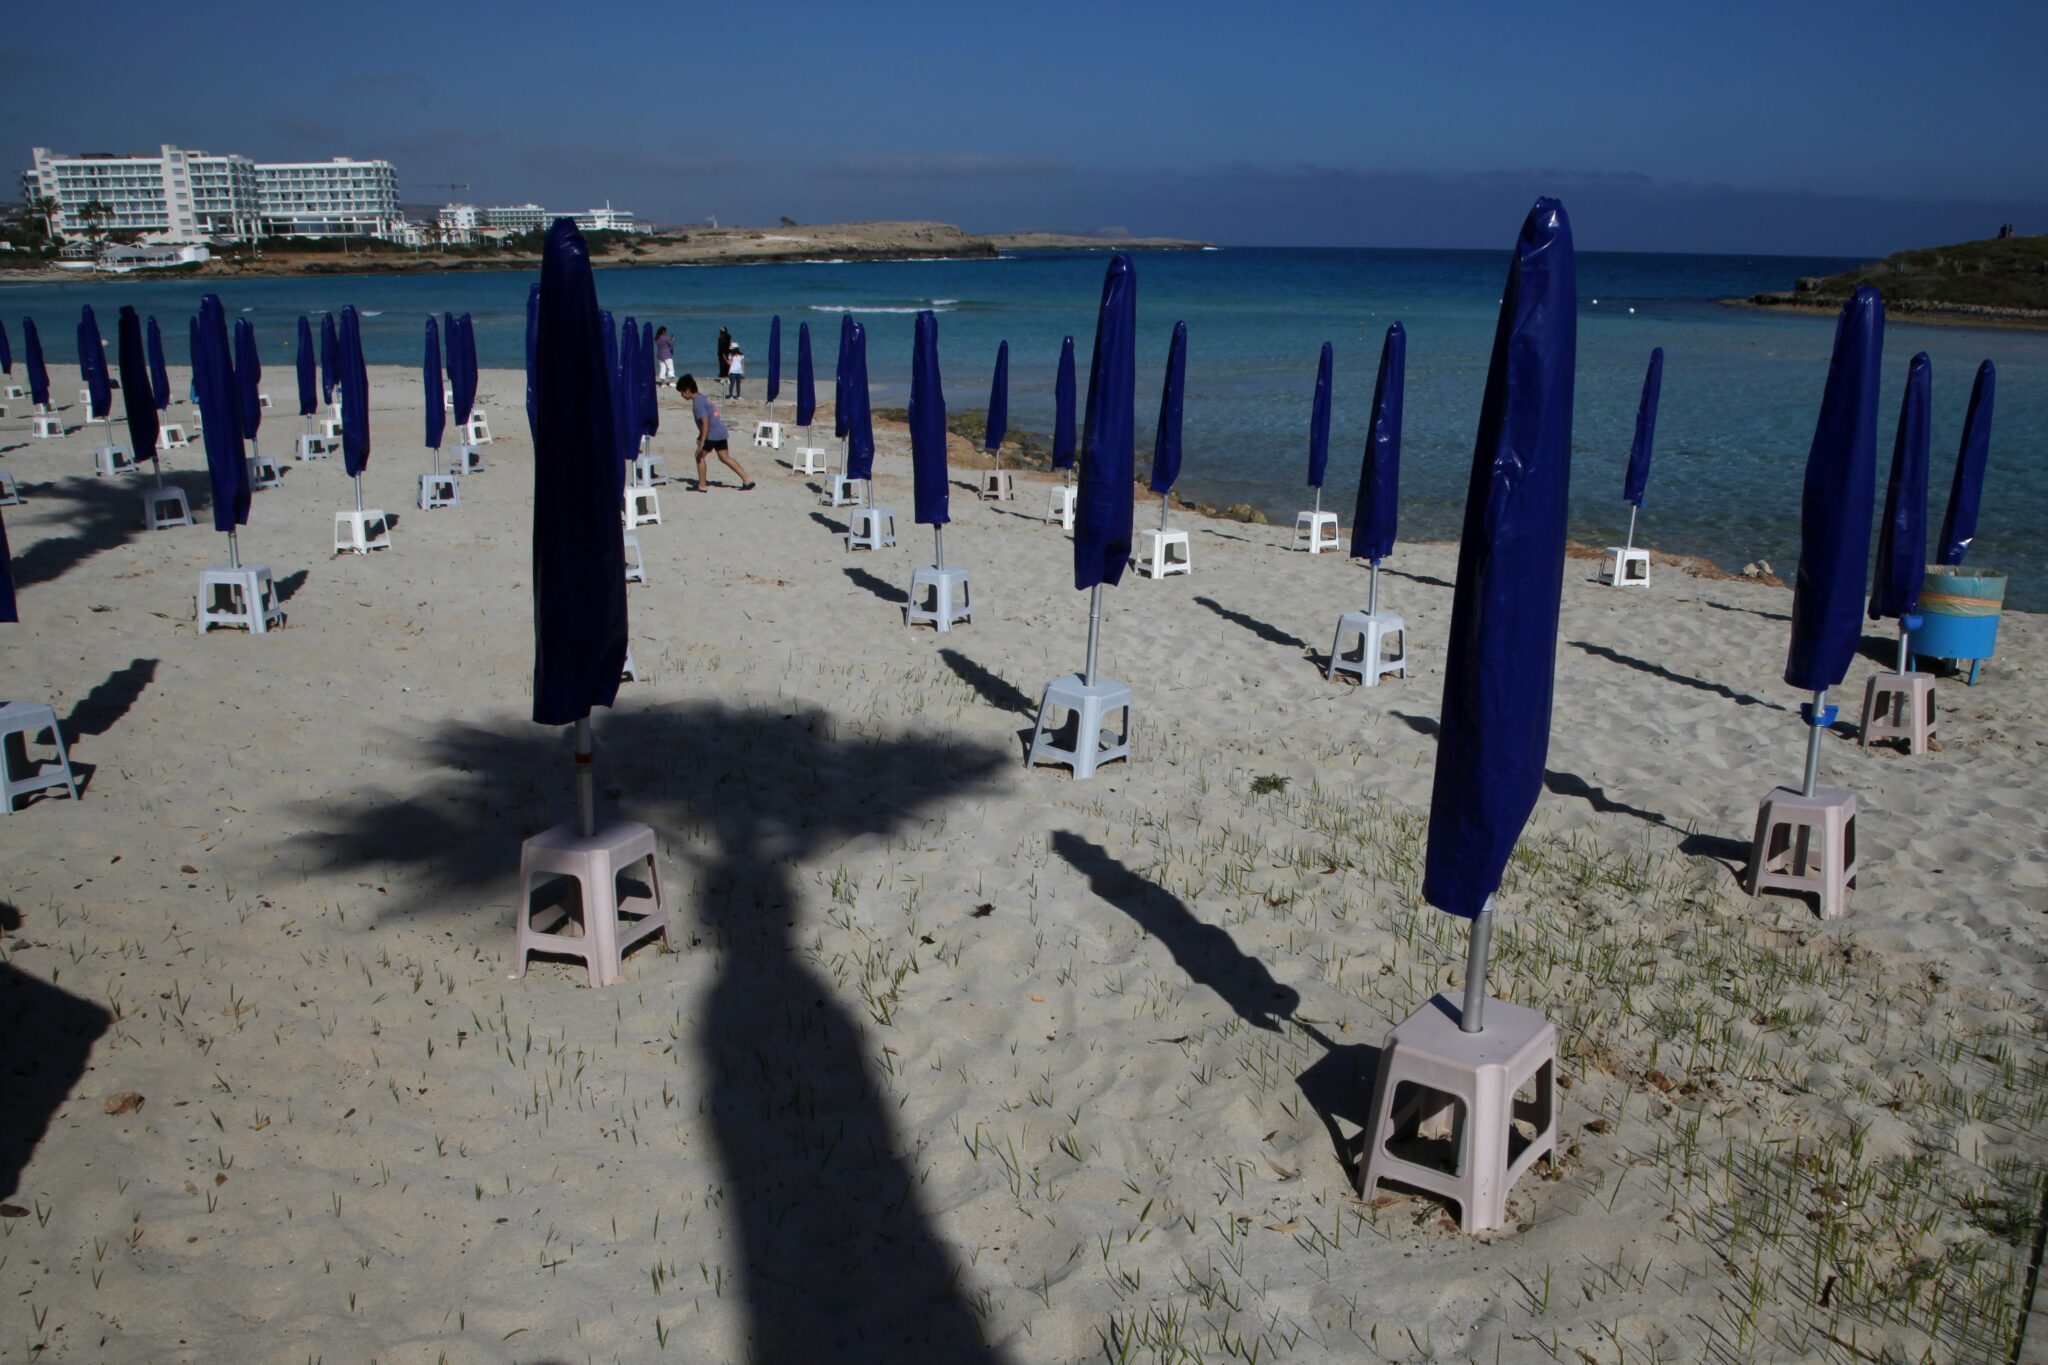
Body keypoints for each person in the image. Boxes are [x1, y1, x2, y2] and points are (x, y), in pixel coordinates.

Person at [679, 374, 753, 491]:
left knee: (699, 456)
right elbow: (708, 420)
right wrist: (700, 436)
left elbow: (705, 422)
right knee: (725, 458)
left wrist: (702, 442)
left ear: (687, 390)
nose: (681, 395)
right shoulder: (702, 397)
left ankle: (702, 485)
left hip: (712, 433)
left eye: (682, 393)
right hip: (720, 430)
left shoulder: (697, 402)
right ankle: (747, 480)